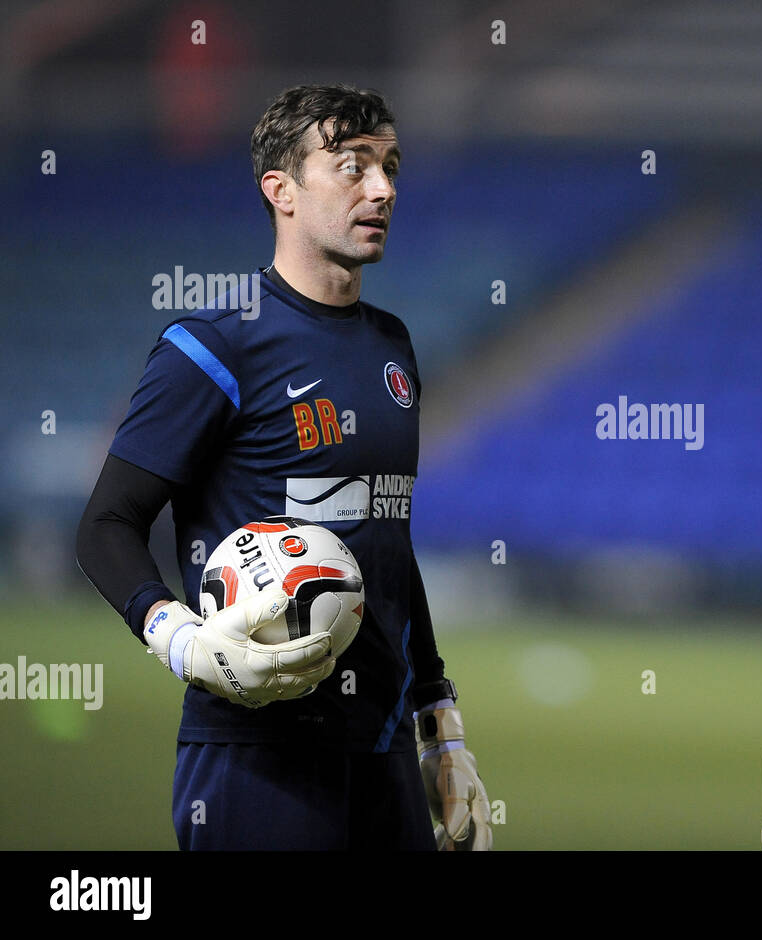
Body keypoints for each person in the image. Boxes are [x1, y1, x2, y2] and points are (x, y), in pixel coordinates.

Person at [76, 84, 492, 850]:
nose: (383, 188)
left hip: (385, 754)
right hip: (256, 761)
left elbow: (387, 541)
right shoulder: (212, 348)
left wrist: (441, 723)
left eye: (390, 166)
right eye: (353, 165)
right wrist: (175, 635)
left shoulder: (393, 347)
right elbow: (106, 523)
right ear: (282, 190)